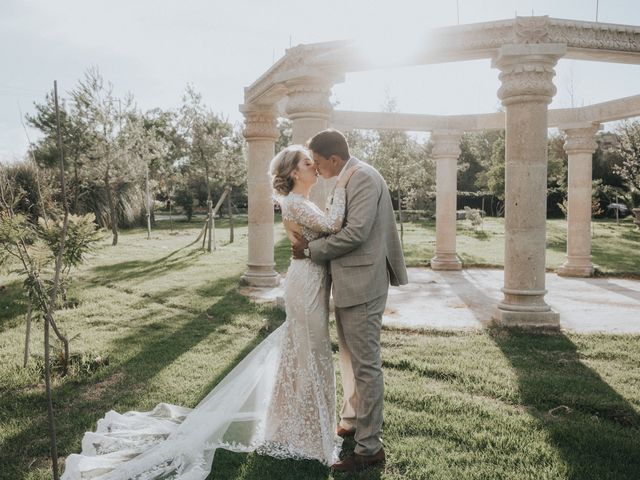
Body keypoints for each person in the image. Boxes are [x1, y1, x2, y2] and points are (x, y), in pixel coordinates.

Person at [61, 145, 358, 479]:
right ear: (292, 172)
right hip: (305, 287)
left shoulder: (300, 203)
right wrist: (344, 185)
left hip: (308, 282)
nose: (315, 166)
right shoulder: (295, 203)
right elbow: (334, 225)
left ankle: (293, 428)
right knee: (312, 353)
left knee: (302, 353)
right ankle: (312, 437)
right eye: (308, 162)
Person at [292, 128, 408, 473]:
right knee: (350, 360)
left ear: (334, 159)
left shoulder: (363, 178)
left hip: (363, 283)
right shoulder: (348, 176)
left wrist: (311, 251)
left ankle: (369, 447)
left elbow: (356, 233)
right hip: (349, 282)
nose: (315, 167)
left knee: (366, 365)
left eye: (317, 162)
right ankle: (352, 420)